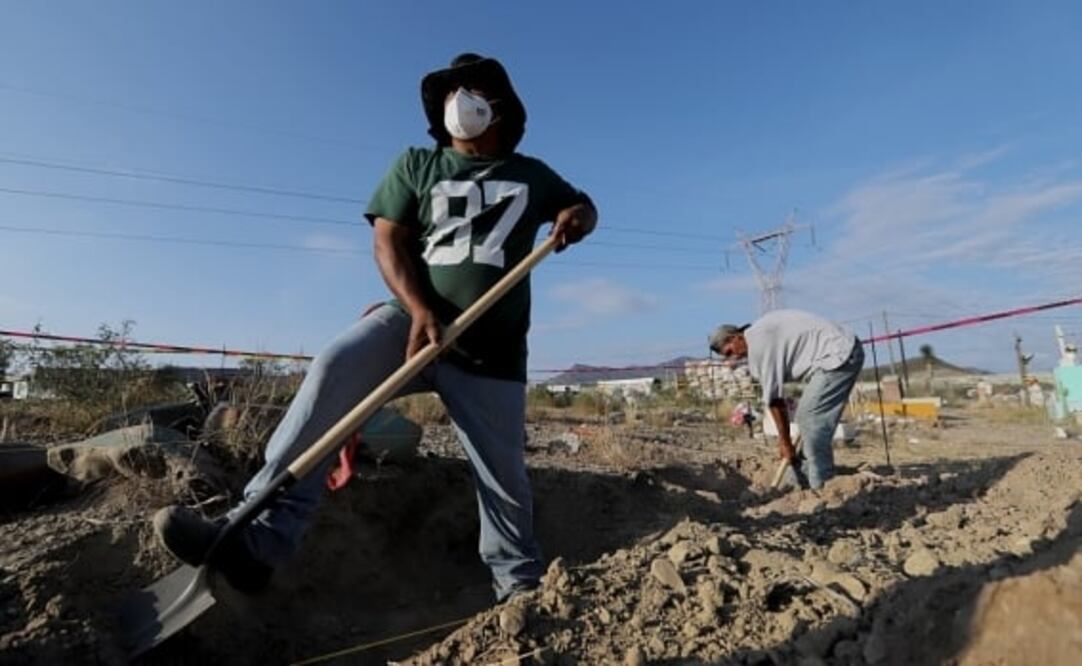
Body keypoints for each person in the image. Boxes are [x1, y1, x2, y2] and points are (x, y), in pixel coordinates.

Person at [153, 53, 598, 602]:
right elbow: (387, 240)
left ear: (500, 106)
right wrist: (418, 307)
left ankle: (518, 588)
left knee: (503, 475)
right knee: (335, 369)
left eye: (474, 89)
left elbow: (584, 206)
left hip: (492, 351)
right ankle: (253, 541)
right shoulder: (417, 164)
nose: (461, 99)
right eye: (452, 90)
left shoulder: (531, 174)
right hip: (410, 322)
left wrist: (579, 217)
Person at [710, 309, 863, 489]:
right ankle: (802, 478)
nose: (734, 357)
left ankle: (823, 485)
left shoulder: (758, 346)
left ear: (735, 337)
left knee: (809, 418)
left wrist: (785, 442)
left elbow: (775, 401)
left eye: (729, 352)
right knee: (808, 420)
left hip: (838, 355)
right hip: (839, 351)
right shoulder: (760, 332)